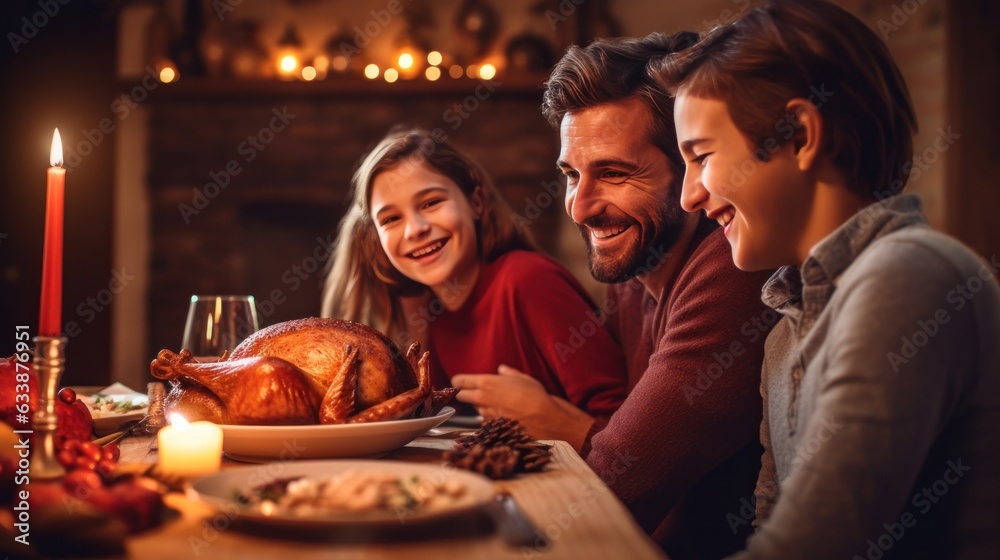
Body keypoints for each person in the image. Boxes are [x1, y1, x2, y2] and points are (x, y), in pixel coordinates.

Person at [657, 1, 1000, 558]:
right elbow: (768, 527)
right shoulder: (781, 337)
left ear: (800, 133)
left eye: (702, 157)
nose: (689, 196)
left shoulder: (910, 273)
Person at [453, 33, 776, 558]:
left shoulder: (731, 269)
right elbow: (625, 443)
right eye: (571, 175)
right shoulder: (631, 274)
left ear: (689, 167)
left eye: (614, 173)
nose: (580, 208)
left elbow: (608, 489)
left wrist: (573, 429)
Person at [322, 129, 628, 419]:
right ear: (376, 239)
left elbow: (622, 421)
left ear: (476, 202)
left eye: (431, 203)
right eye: (391, 219)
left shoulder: (529, 279)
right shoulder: (428, 316)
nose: (415, 229)